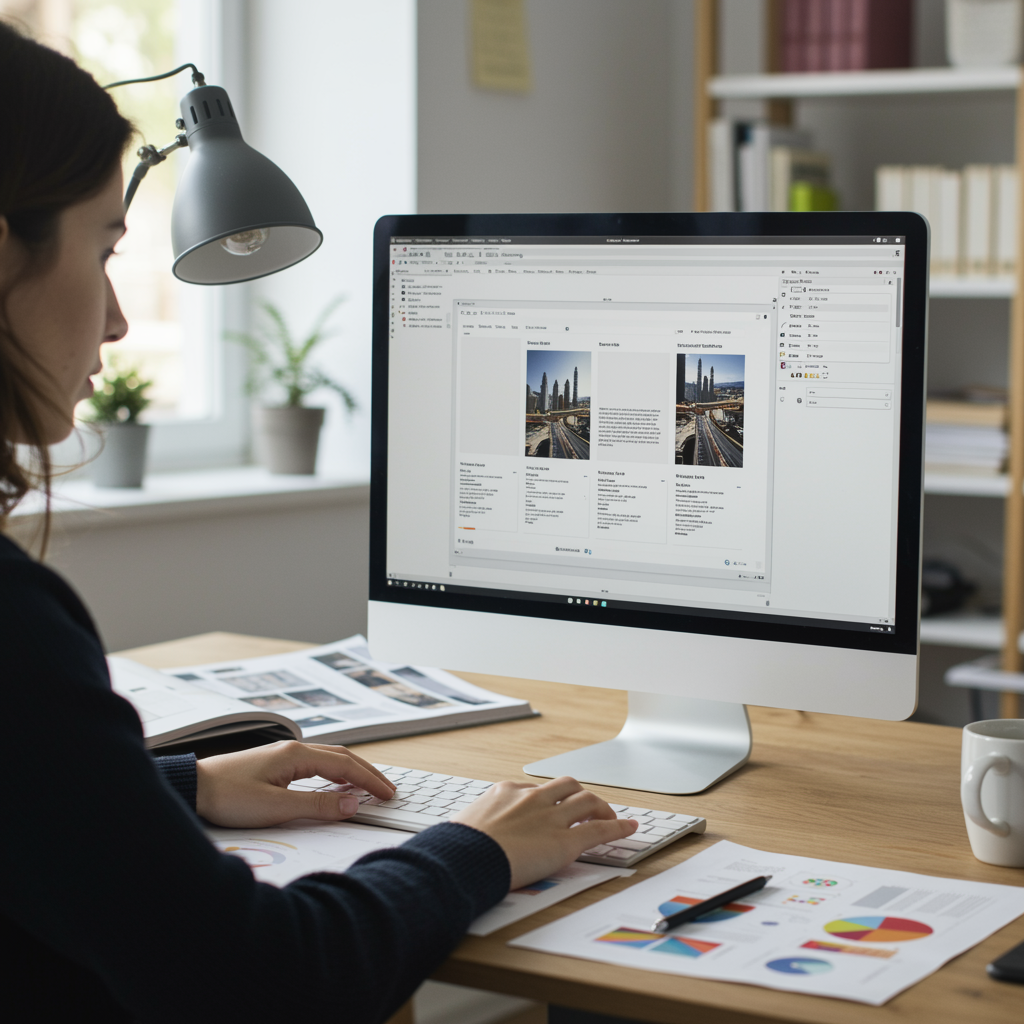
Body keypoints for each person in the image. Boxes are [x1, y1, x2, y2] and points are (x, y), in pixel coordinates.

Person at [0, 23, 637, 1022]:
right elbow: (266, 979)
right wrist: (477, 845)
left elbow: (30, 802)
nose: (119, 320)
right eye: (103, 249)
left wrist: (178, 788)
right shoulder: (12, 626)